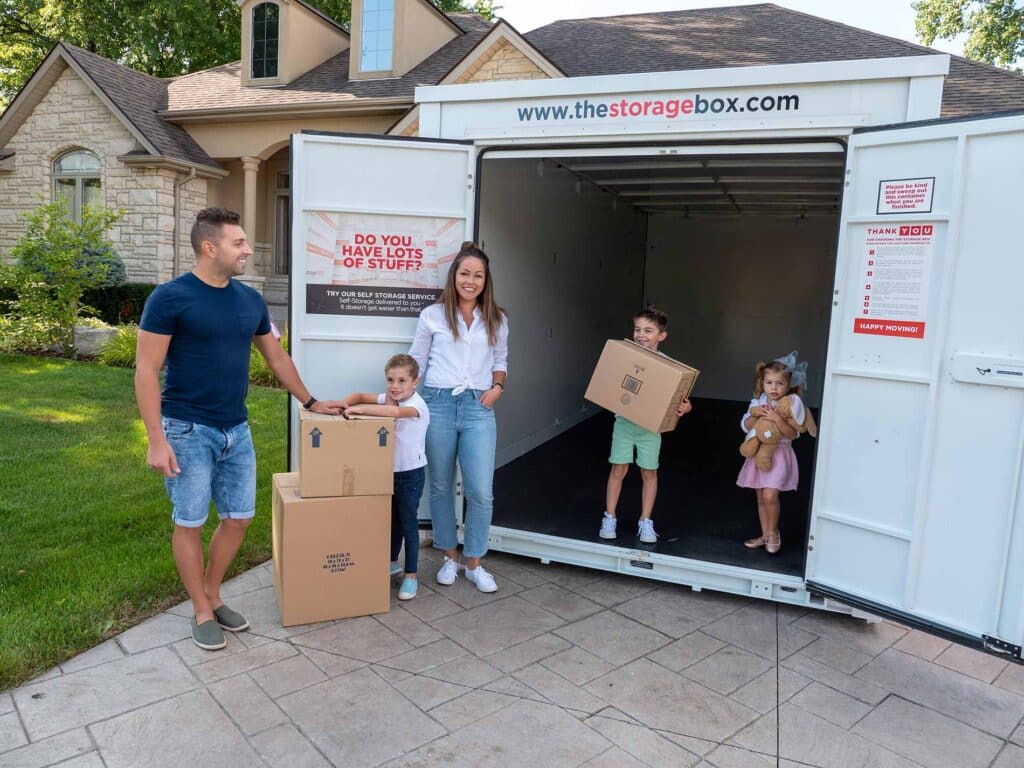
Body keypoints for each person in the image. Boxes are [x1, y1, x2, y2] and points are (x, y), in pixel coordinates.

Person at [136, 207, 343, 650]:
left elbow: (277, 358)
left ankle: (212, 591)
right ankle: (201, 609)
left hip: (237, 429)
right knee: (190, 521)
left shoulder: (249, 300)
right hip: (188, 429)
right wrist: (157, 439)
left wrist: (310, 400)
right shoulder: (170, 298)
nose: (248, 249)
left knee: (239, 518)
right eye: (239, 243)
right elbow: (146, 370)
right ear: (210, 247)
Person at [410, 241, 508, 593]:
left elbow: (501, 362)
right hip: (437, 402)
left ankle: (475, 562)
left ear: (486, 280)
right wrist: (402, 398)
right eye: (465, 273)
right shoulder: (432, 316)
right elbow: (416, 362)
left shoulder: (497, 318)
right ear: (454, 277)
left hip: (478, 407)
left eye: (478, 275)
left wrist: (497, 387)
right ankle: (450, 557)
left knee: (480, 490)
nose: (470, 280)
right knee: (440, 485)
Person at [338, 354, 429, 601]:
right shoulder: (388, 397)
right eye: (390, 380)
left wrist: (363, 410)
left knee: (409, 523)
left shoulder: (417, 406)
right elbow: (358, 396)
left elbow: (394, 413)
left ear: (415, 382)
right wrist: (343, 404)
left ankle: (411, 576)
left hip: (410, 474)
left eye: (402, 380)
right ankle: (391, 562)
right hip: (387, 472)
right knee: (391, 521)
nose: (395, 386)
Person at [599, 307, 693, 544]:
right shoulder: (625, 357)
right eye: (638, 329)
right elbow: (610, 382)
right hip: (624, 423)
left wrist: (685, 408)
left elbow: (679, 399)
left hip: (651, 429)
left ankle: (646, 521)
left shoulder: (668, 368)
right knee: (618, 470)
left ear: (661, 336)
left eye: (648, 331)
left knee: (649, 472)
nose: (641, 334)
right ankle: (609, 517)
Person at [737, 351, 809, 554]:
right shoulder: (757, 402)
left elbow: (793, 434)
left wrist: (778, 420)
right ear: (762, 383)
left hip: (779, 454)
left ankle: (773, 533)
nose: (774, 388)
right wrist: (755, 416)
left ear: (789, 385)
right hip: (758, 453)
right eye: (769, 383)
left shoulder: (791, 405)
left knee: (770, 495)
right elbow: (745, 425)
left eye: (779, 383)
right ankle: (765, 534)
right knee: (760, 496)